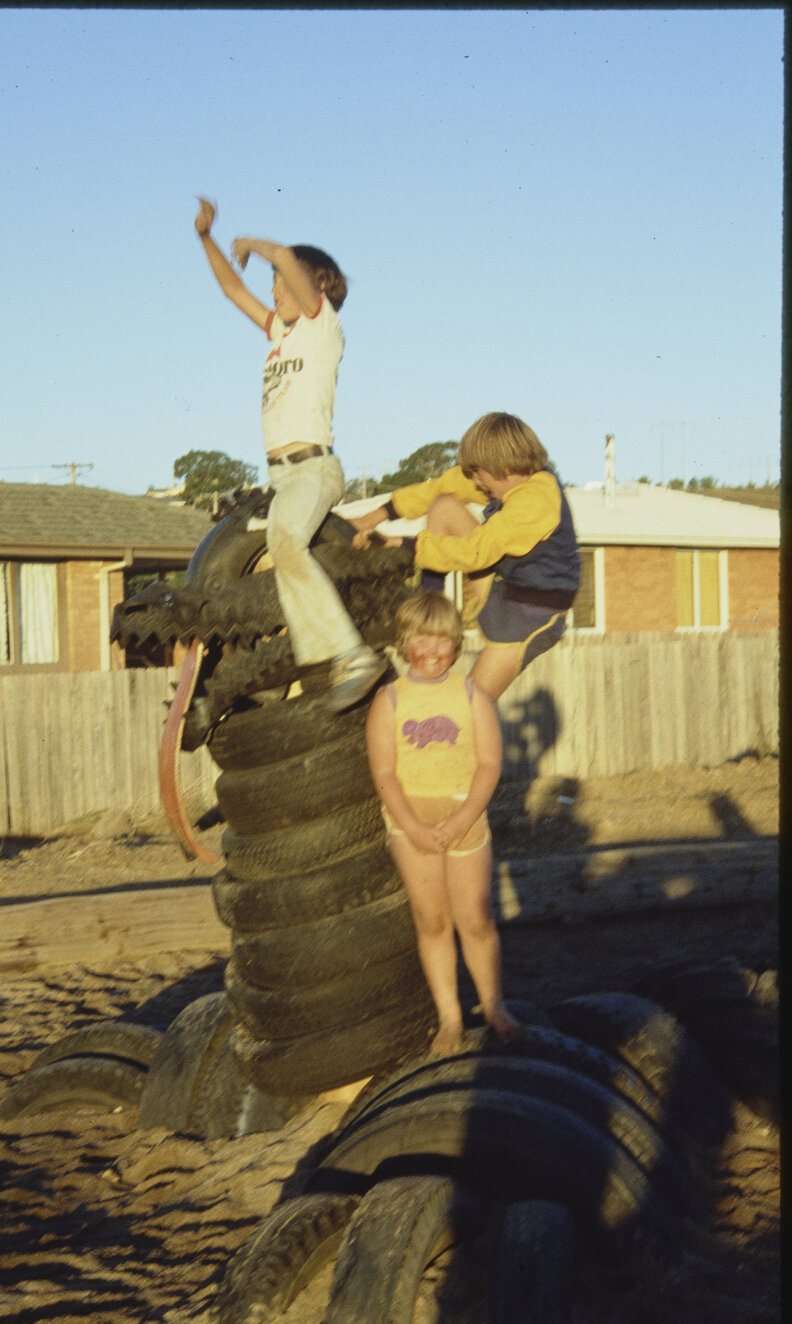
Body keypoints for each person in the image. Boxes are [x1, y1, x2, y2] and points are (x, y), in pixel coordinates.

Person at [194, 196, 385, 713]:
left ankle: (351, 655)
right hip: (279, 477)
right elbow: (234, 290)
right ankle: (277, 672)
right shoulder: (279, 333)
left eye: (280, 282)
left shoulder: (323, 327)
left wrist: (252, 245)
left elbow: (282, 256)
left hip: (312, 470)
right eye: (274, 284)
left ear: (311, 285)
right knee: (270, 564)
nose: (273, 290)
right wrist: (206, 238)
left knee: (285, 543)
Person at [366, 590, 522, 1055]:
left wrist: (463, 818)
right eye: (422, 640)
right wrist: (413, 827)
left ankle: (494, 1007)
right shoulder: (389, 700)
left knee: (475, 918)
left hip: (464, 819)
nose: (432, 651)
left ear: (456, 644)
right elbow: (384, 773)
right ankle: (450, 1018)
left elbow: (489, 765)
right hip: (410, 824)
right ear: (403, 643)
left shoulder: (472, 695)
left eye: (442, 641)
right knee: (432, 922)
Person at [350, 411, 580, 702]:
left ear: (505, 467)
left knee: (469, 708)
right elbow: (441, 487)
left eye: (478, 474)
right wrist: (372, 518)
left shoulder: (537, 499)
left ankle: (435, 631)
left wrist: (401, 544)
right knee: (444, 505)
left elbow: (475, 553)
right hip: (503, 590)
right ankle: (430, 619)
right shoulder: (506, 479)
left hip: (532, 617)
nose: (476, 482)